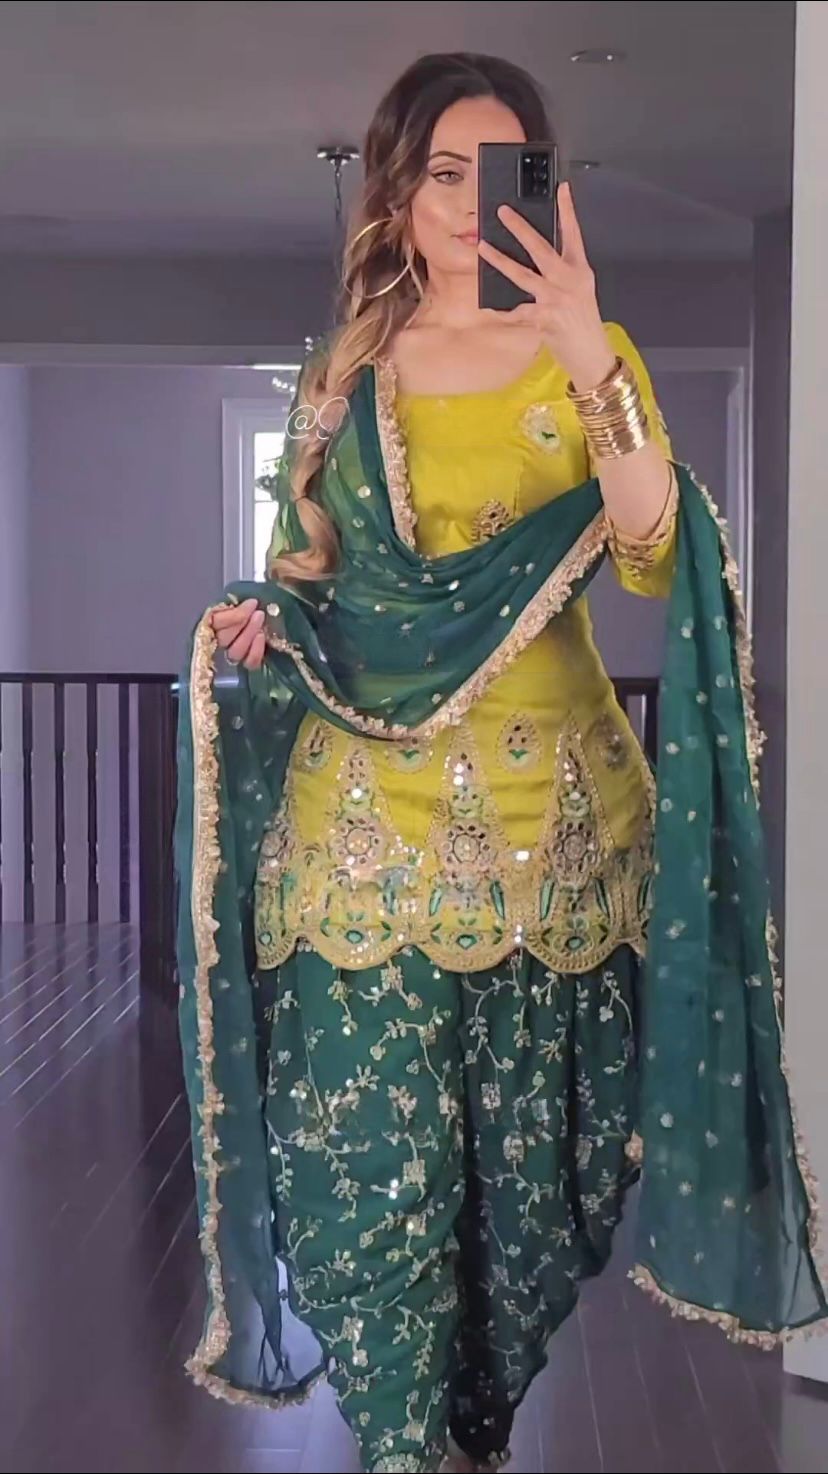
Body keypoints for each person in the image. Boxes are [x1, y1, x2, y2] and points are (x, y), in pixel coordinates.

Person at [175, 52, 827, 1474]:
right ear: (397, 189)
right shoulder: (345, 371)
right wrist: (262, 618)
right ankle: (408, 1449)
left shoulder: (585, 353)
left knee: (541, 1200)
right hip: (357, 848)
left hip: (555, 850)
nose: (471, 204)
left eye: (503, 172)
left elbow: (652, 554)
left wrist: (590, 351)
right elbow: (314, 577)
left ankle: (468, 1436)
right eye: (442, 173)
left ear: (549, 186)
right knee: (371, 1181)